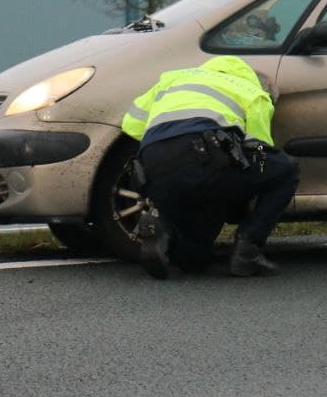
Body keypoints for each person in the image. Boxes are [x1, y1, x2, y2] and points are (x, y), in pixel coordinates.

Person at [120, 56, 299, 279]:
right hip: (203, 156)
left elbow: (131, 124)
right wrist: (255, 181)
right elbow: (259, 147)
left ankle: (165, 236)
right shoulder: (252, 92)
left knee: (195, 258)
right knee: (286, 170)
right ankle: (248, 251)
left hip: (153, 164)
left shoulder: (172, 80)